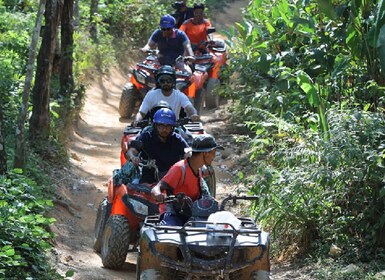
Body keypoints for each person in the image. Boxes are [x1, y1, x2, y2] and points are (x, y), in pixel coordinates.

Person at [151, 134, 224, 226]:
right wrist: (158, 195)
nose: (214, 157)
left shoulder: (199, 169)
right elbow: (156, 188)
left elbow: (205, 195)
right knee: (172, 236)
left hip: (191, 212)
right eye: (213, 153)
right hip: (172, 213)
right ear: (205, 153)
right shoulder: (180, 168)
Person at [115, 108, 190, 185]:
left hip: (172, 178)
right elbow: (131, 151)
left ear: (173, 127)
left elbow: (188, 152)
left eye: (168, 126)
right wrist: (133, 157)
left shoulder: (177, 139)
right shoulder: (146, 137)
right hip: (148, 179)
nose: (164, 129)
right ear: (155, 125)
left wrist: (191, 158)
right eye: (161, 126)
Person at [133, 65, 199, 124]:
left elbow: (189, 107)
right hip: (154, 128)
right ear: (158, 82)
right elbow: (141, 113)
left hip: (174, 128)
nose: (165, 83)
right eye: (162, 81)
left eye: (169, 80)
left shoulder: (179, 95)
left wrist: (193, 114)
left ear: (173, 82)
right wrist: (137, 120)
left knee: (189, 137)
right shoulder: (151, 94)